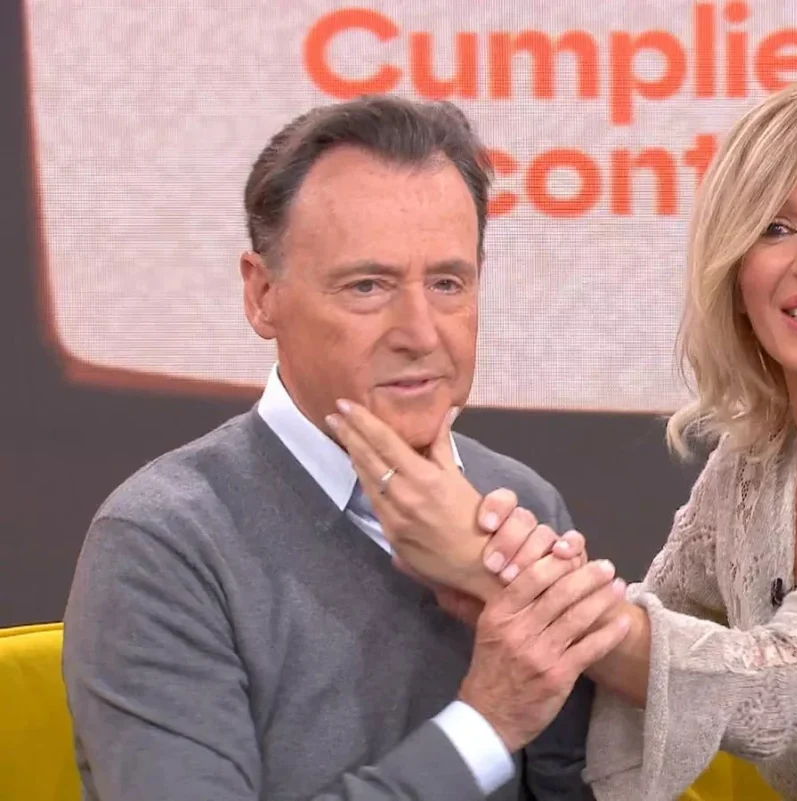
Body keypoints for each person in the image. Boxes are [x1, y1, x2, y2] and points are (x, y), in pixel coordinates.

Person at [326, 77, 797, 801]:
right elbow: (638, 680)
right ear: (738, 274)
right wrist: (507, 598)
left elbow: (784, 684)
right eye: (774, 227)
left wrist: (501, 572)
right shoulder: (751, 473)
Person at [62, 96, 632, 801]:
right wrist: (484, 727)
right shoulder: (163, 542)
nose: (420, 332)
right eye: (368, 286)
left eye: (447, 283)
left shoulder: (519, 504)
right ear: (263, 294)